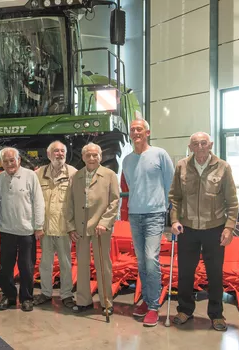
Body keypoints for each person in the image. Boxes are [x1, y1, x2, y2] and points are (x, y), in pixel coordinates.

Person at [169, 132, 238, 332]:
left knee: (215, 274)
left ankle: (216, 314)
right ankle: (185, 309)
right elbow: (175, 197)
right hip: (187, 229)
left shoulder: (223, 167)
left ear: (211, 145)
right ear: (190, 147)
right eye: (196, 144)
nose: (200, 147)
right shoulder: (182, 166)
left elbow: (232, 202)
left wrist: (229, 227)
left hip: (214, 228)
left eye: (204, 143)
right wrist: (174, 220)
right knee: (185, 273)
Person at [122, 119, 174, 327]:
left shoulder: (160, 154)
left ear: (148, 132)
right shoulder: (126, 161)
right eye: (133, 130)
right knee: (142, 261)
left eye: (139, 129)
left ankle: (153, 306)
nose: (135, 132)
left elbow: (171, 185)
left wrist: (172, 213)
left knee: (151, 259)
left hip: (155, 214)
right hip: (135, 215)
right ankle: (147, 298)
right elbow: (131, 189)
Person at [67, 142, 120, 316]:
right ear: (82, 157)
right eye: (88, 155)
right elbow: (70, 203)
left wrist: (104, 222)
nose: (91, 158)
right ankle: (83, 301)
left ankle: (106, 301)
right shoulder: (76, 176)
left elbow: (114, 201)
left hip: (100, 228)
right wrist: (71, 226)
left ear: (100, 157)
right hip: (81, 227)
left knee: (103, 264)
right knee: (81, 264)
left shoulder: (109, 175)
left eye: (95, 155)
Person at [0, 147, 45, 312]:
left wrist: (38, 226)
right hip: (6, 230)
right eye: (6, 161)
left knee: (26, 267)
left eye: (12, 160)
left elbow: (38, 202)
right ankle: (8, 296)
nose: (9, 164)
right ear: (1, 163)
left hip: (27, 231)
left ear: (19, 160)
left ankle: (26, 298)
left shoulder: (30, 176)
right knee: (5, 267)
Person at [33, 141, 77, 309]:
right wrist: (36, 225)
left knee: (66, 263)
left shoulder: (73, 173)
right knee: (45, 263)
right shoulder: (38, 174)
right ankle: (46, 292)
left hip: (64, 228)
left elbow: (76, 201)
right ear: (49, 154)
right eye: (55, 151)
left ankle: (66, 294)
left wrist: (73, 226)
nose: (59, 154)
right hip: (45, 228)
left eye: (62, 151)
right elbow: (34, 200)